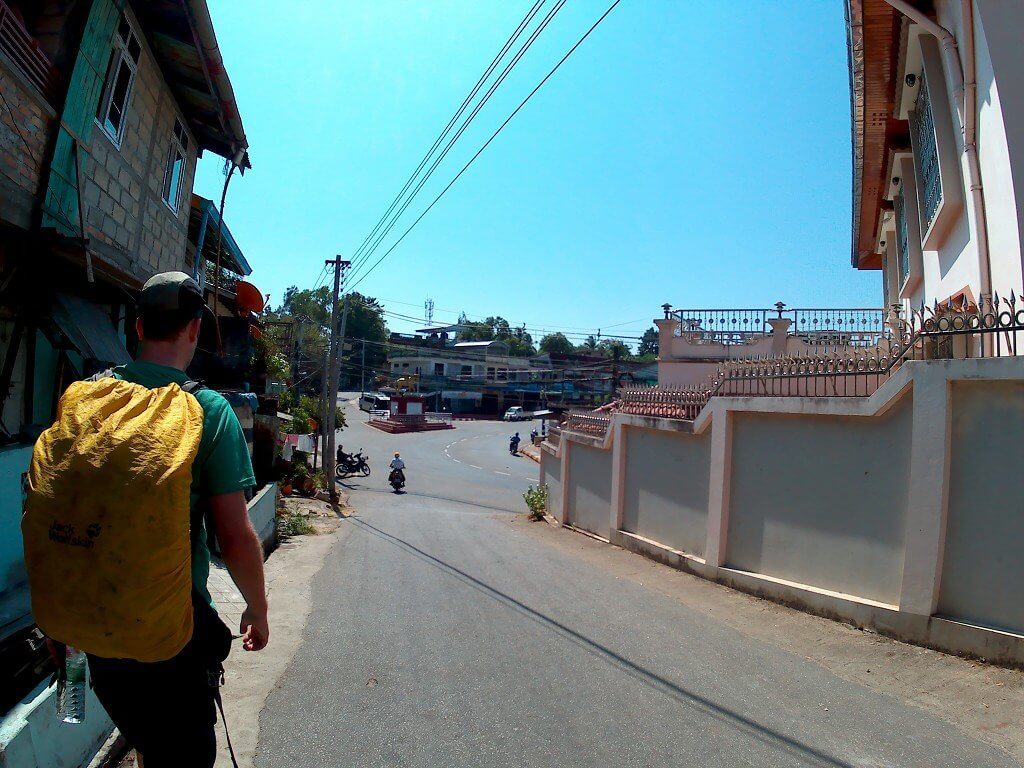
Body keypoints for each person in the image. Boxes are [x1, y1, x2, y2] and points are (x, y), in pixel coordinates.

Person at [86, 272, 269, 766]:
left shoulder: (90, 397)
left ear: (139, 326)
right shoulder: (207, 409)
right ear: (193, 330)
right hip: (171, 636)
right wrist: (257, 607)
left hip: (97, 628)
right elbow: (233, 537)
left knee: (149, 741)